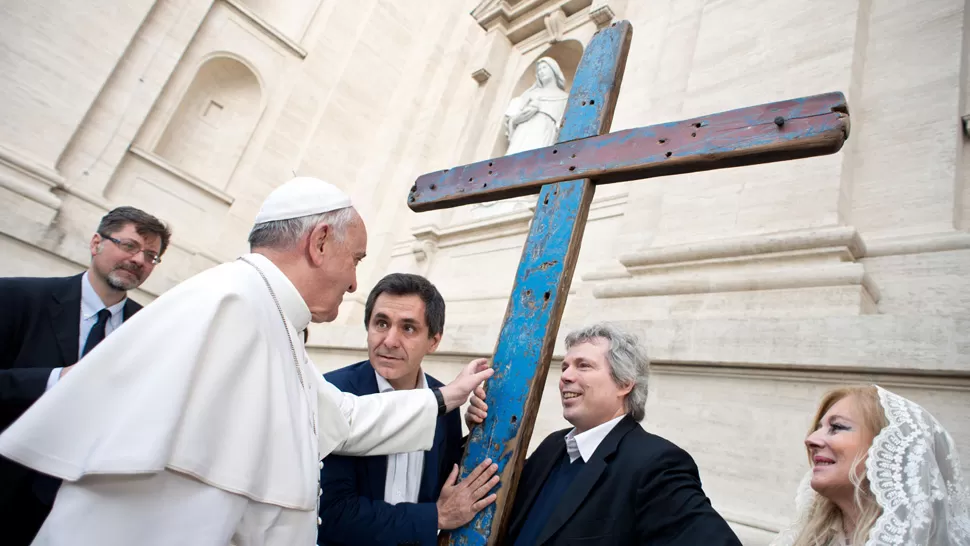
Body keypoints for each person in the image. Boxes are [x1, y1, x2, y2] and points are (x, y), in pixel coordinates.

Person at [0, 176, 493, 546]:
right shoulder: (229, 306)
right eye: (356, 260)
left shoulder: (265, 313)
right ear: (319, 243)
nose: (353, 283)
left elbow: (340, 417)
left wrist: (449, 393)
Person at [466, 322, 742, 546]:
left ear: (624, 384)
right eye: (565, 367)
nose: (565, 376)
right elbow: (481, 495)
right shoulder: (553, 446)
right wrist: (480, 430)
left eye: (583, 366)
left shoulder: (656, 464)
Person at [0, 205, 171, 546]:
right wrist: (57, 379)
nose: (139, 260)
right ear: (96, 243)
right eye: (129, 246)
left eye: (151, 256)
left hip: (81, 507)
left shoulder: (152, 330)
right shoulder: (16, 297)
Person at [317, 273, 498, 546]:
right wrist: (435, 516)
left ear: (434, 341)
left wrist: (476, 434)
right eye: (381, 323)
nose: (389, 340)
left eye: (408, 328)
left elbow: (445, 479)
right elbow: (332, 515)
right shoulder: (333, 391)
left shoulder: (446, 404)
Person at [770, 385, 970, 546]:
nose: (811, 439)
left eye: (837, 427)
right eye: (818, 428)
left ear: (888, 448)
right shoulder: (811, 537)